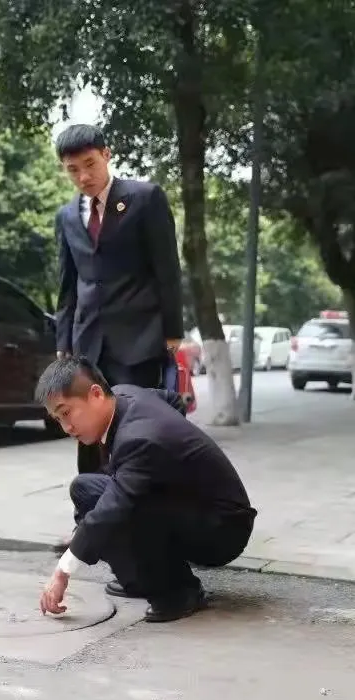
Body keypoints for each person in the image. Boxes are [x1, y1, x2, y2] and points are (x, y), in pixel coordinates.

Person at [35, 356, 257, 623]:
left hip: (222, 528)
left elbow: (109, 511)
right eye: (58, 418)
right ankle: (140, 579)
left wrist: (62, 571)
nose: (67, 428)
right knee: (85, 488)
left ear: (95, 394)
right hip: (186, 504)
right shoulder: (123, 395)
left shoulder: (140, 438)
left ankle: (178, 592)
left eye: (67, 412)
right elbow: (173, 401)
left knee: (122, 507)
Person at [52, 124, 184, 476]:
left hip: (138, 337)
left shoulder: (146, 198)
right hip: (87, 345)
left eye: (90, 164)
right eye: (73, 170)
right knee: (88, 430)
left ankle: (139, 499)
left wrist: (172, 331)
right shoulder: (66, 216)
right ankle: (92, 502)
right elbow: (67, 285)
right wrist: (63, 342)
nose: (83, 176)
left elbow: (167, 269)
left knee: (135, 426)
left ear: (106, 155)